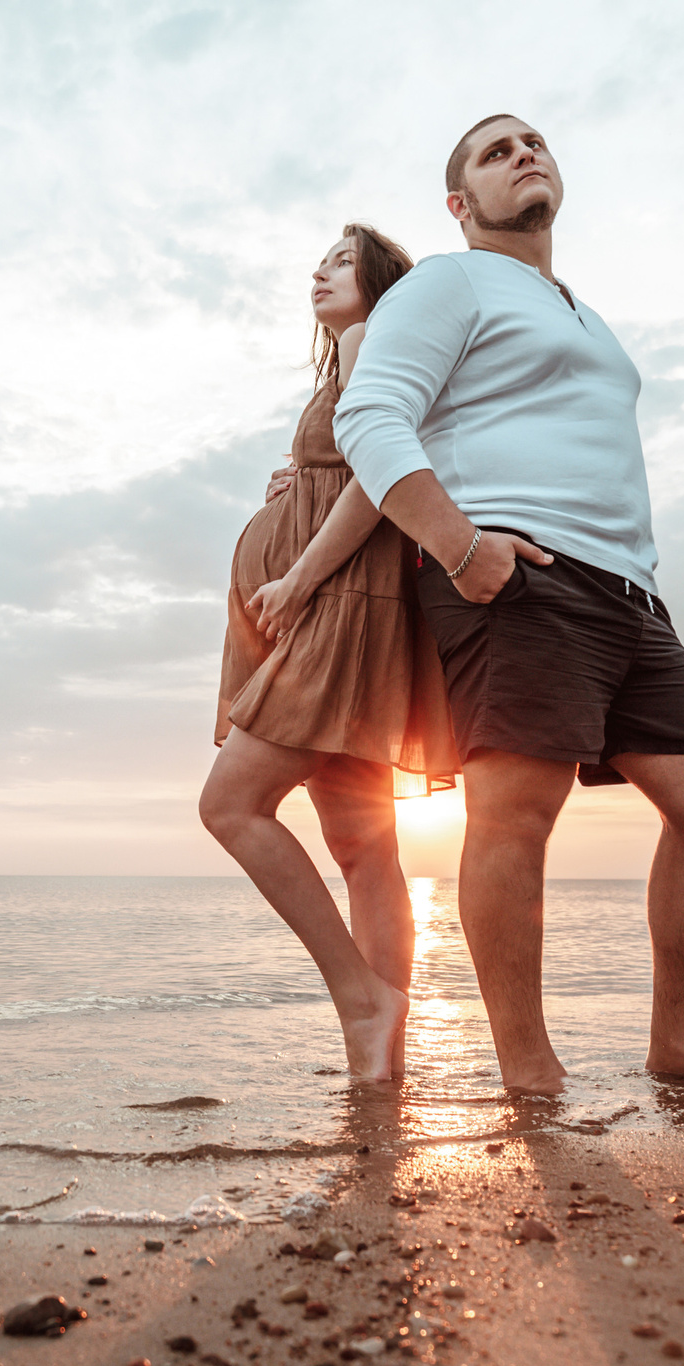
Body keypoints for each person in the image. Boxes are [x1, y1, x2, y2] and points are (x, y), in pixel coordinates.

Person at [333, 115, 684, 1093]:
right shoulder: (449, 281)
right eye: (496, 152)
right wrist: (458, 545)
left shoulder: (582, 314)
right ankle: (528, 1070)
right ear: (459, 204)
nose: (524, 154)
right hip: (517, 572)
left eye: (533, 143)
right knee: (517, 812)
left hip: (627, 591)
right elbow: (371, 413)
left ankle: (679, 1044)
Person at [200, 224, 457, 1083]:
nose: (320, 271)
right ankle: (382, 1062)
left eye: (342, 261)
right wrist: (298, 485)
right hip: (343, 607)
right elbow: (352, 468)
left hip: (337, 608)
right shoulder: (360, 356)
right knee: (363, 848)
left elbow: (380, 472)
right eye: (320, 260)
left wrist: (298, 580)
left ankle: (362, 1001)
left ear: (379, 280)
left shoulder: (364, 338)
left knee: (231, 806)